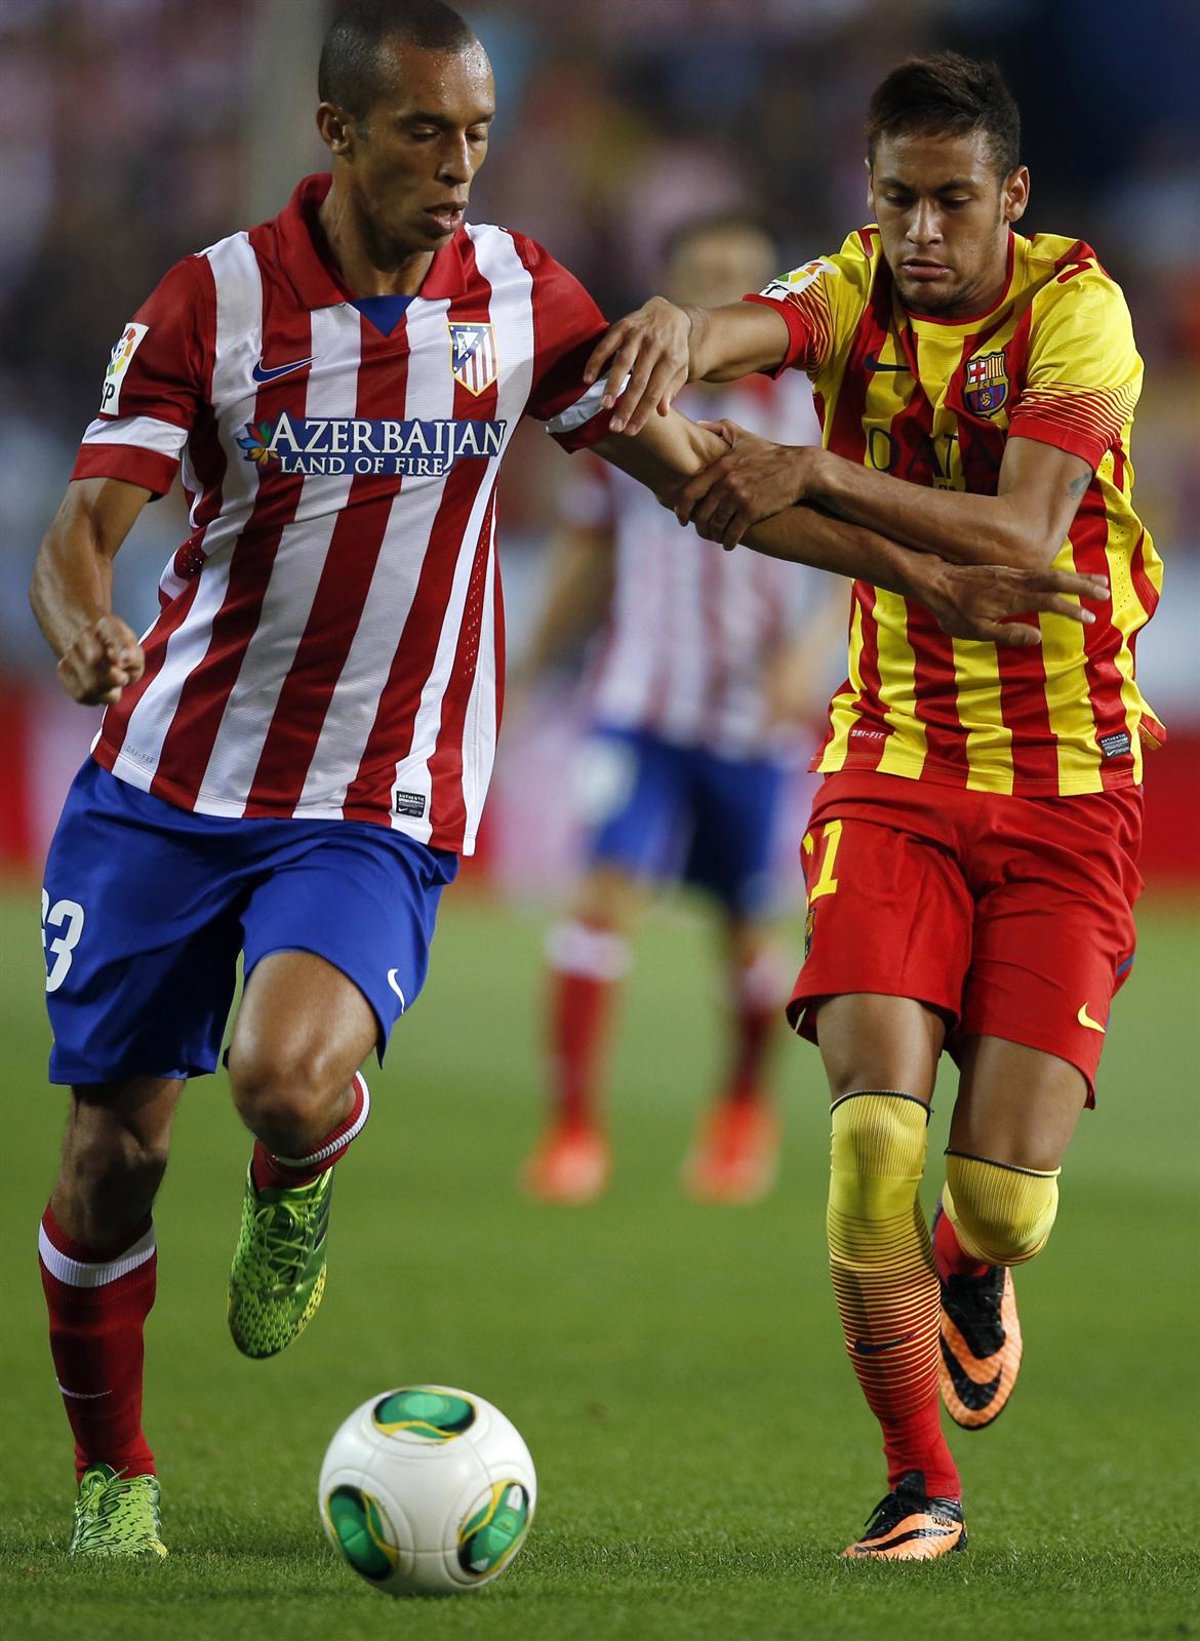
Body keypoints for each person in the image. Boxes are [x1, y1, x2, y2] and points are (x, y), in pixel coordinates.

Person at [30, 1, 1108, 1560]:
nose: (459, 163)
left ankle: (298, 1171)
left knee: (284, 1076)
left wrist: (920, 579)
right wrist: (83, 627)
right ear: (337, 133)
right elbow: (83, 531)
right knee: (111, 1157)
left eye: (476, 132)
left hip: (374, 793)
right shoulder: (215, 300)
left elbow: (702, 481)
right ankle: (114, 1474)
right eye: (424, 131)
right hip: (166, 779)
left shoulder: (521, 296)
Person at [587, 50, 1163, 1559]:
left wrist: (812, 474)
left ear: (1013, 195)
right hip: (892, 769)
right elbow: (750, 323)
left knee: (1004, 1199)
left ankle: (975, 1266)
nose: (921, 230)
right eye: (898, 197)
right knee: (870, 1150)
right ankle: (921, 1485)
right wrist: (677, 332)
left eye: (952, 200)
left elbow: (1024, 538)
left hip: (1070, 785)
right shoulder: (851, 289)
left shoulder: (1079, 312)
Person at [518, 211, 841, 1207]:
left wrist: (812, 656)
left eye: (747, 275)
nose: (727, 289)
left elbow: (852, 563)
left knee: (746, 930)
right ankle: (573, 1129)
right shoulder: (621, 402)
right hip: (638, 705)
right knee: (600, 899)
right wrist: (525, 671)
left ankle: (740, 1113)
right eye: (706, 272)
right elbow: (588, 551)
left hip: (752, 718)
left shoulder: (807, 415)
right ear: (668, 288)